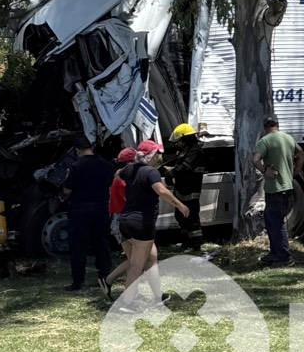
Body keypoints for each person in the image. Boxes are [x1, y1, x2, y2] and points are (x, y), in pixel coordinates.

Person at [107, 139, 189, 303]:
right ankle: (127, 303)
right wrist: (180, 205)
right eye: (157, 153)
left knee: (151, 257)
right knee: (137, 266)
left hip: (125, 221)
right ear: (152, 156)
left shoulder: (129, 169)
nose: (159, 155)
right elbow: (161, 190)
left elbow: (117, 174)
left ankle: (158, 296)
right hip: (142, 223)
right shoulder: (151, 172)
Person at [61, 137, 116, 293]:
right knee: (102, 243)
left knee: (78, 245)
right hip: (101, 208)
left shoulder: (75, 166)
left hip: (80, 209)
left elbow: (67, 190)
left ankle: (78, 280)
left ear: (77, 150)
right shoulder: (106, 165)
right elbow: (111, 186)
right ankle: (105, 275)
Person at [251, 116, 304, 267]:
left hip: (275, 188)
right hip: (287, 186)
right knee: (272, 221)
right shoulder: (288, 138)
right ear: (277, 124)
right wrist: (295, 172)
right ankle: (274, 253)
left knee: (276, 223)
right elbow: (301, 155)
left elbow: (255, 159)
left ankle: (284, 258)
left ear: (265, 126)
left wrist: (264, 170)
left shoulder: (265, 141)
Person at [161, 123, 207, 252]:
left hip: (191, 190)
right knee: (181, 216)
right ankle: (187, 241)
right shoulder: (186, 149)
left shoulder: (195, 150)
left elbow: (186, 168)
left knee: (191, 218)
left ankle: (196, 245)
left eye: (180, 139)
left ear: (185, 137)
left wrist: (171, 171)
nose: (178, 143)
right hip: (182, 188)